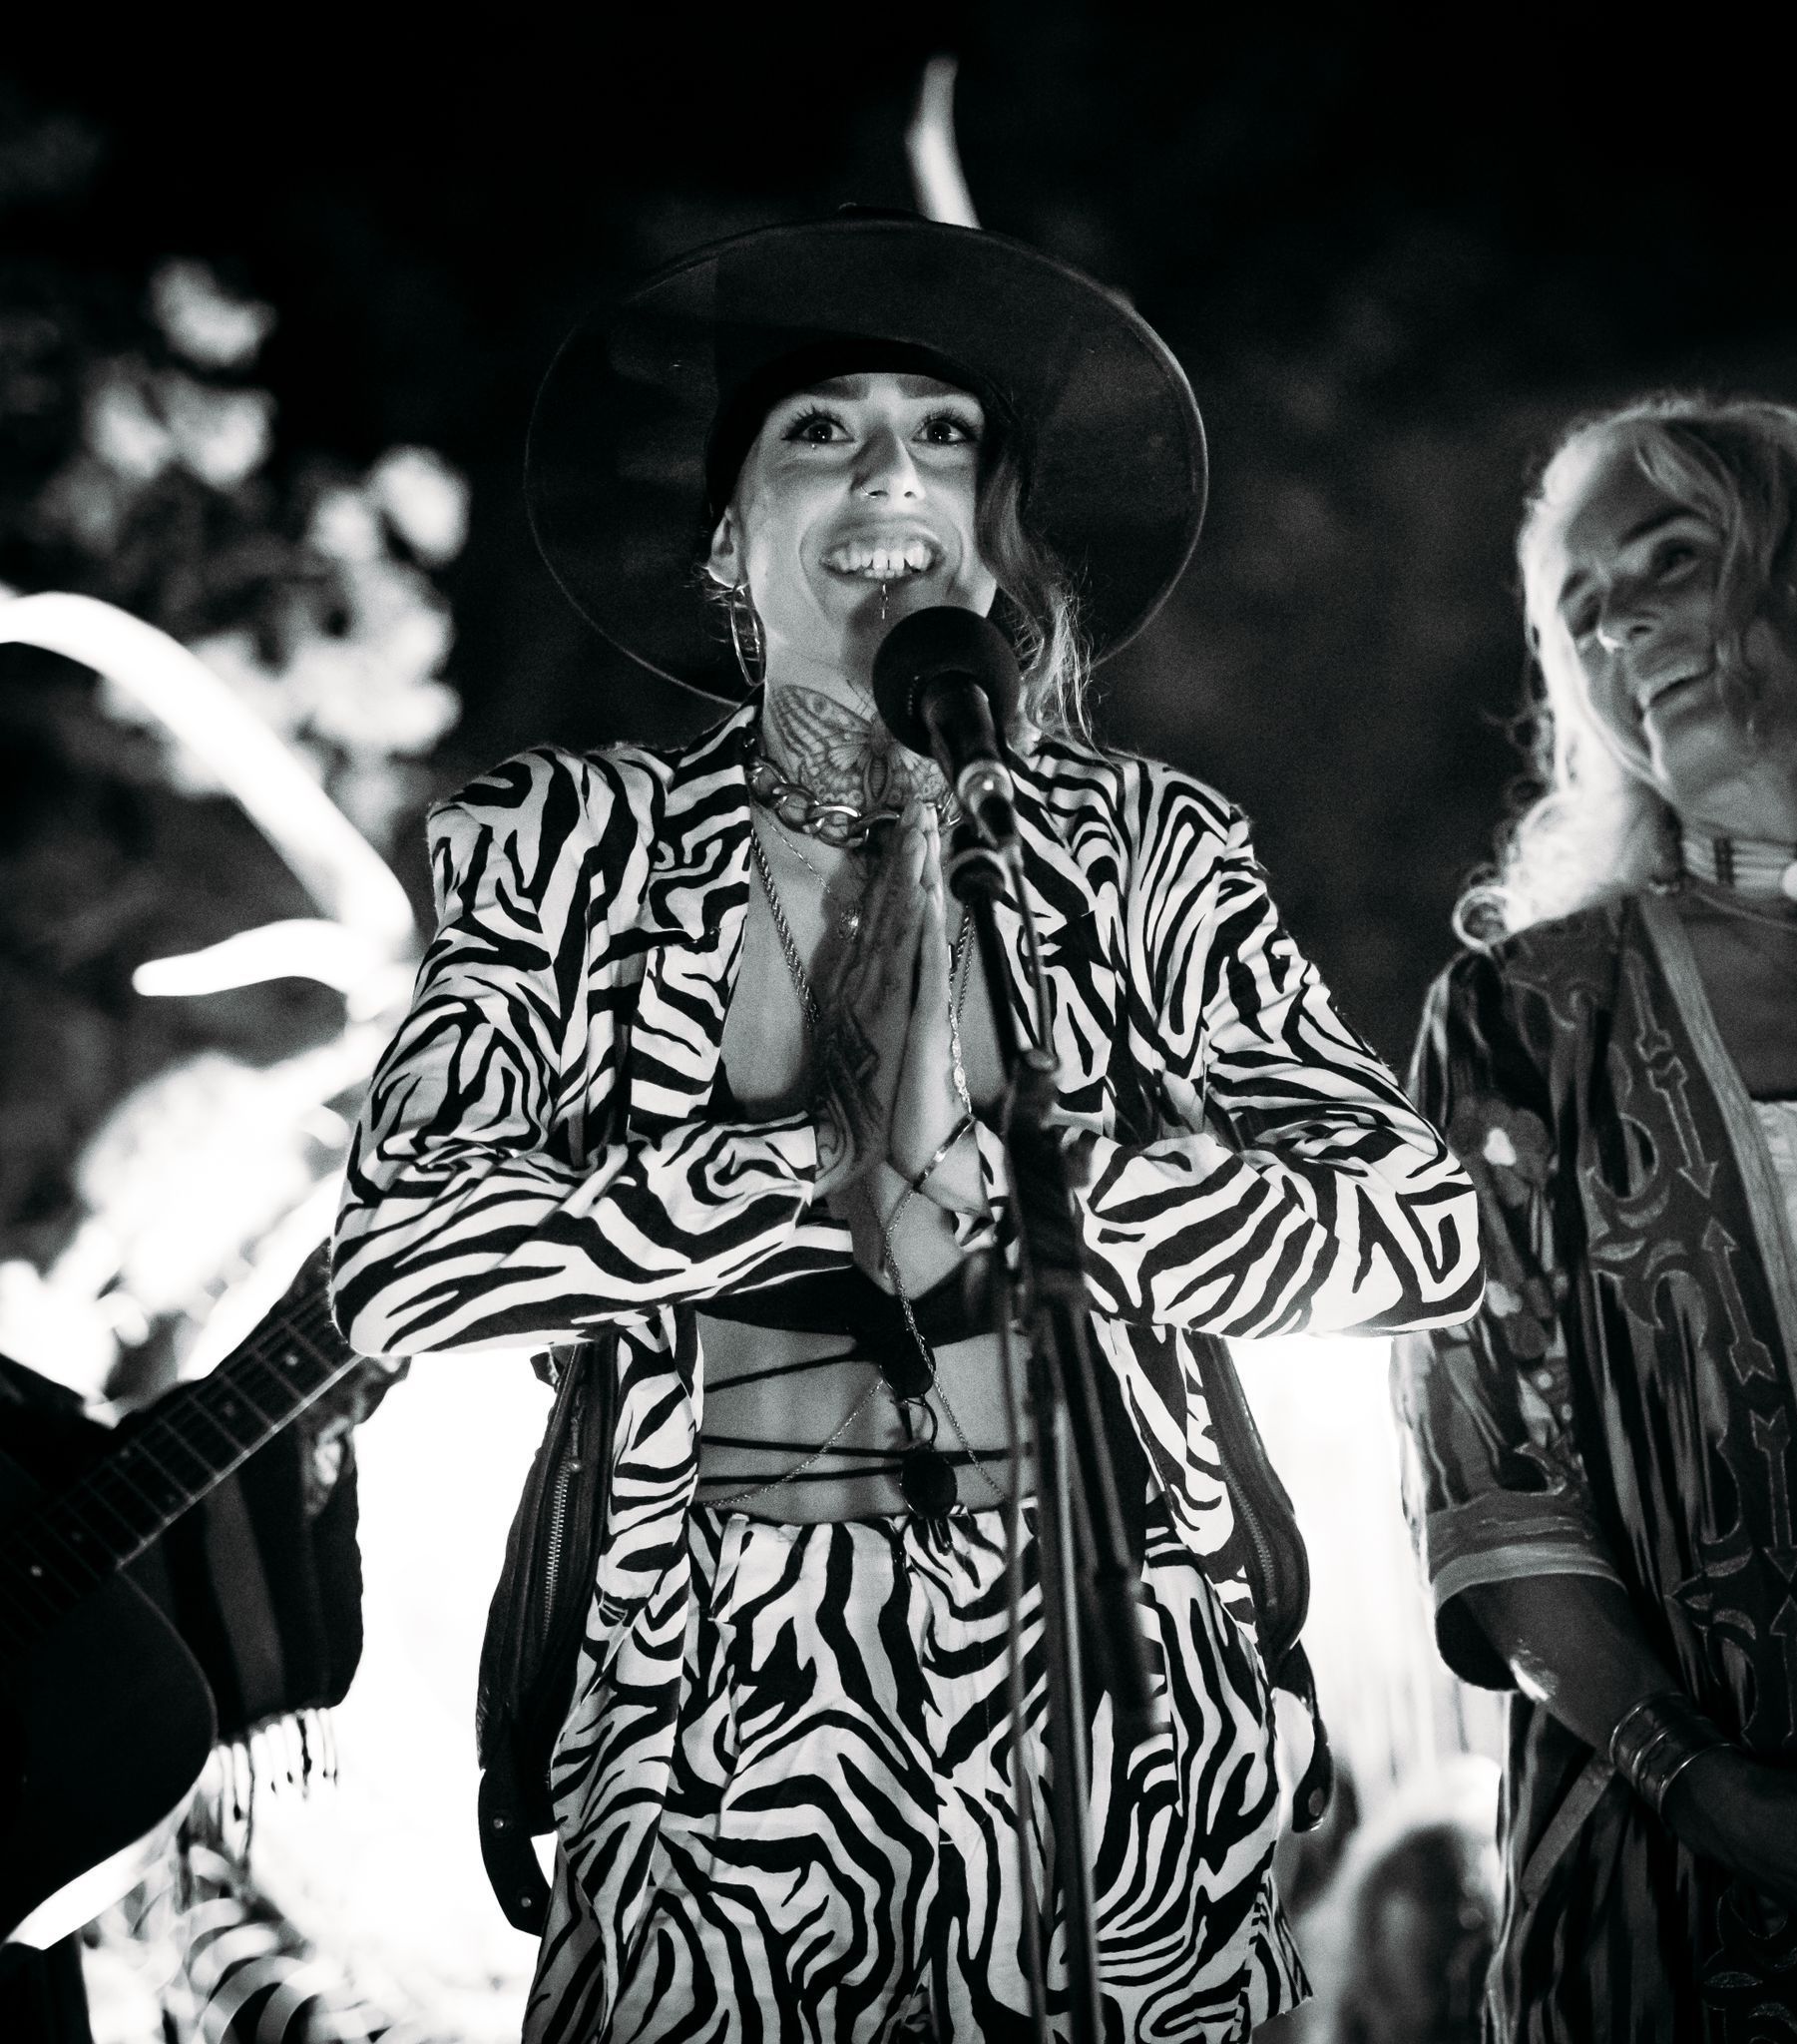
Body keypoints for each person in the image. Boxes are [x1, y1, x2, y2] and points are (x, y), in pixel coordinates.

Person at [330, 213, 1482, 2042]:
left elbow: (1421, 1229)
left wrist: (1047, 1192)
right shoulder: (569, 844)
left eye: (944, 435)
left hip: (1117, 1726)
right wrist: (815, 1171)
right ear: (727, 543)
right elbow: (399, 1260)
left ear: (989, 534)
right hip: (709, 1738)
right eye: (821, 431)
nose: (890, 472)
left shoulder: (1145, 852)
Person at [1393, 393, 1797, 2040]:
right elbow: (1489, 1486)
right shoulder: (1523, 1017)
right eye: (1582, 611)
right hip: (1671, 1902)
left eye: (1673, 561)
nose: (1624, 628)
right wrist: (1710, 1790)